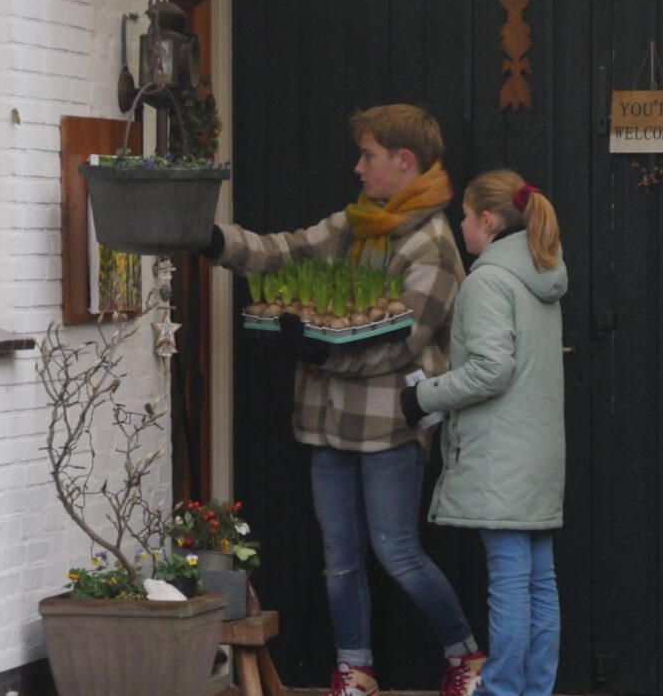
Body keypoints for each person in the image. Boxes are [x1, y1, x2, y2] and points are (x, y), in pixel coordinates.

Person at [203, 104, 485, 696]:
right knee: (339, 558)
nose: (358, 167)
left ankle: (466, 657)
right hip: (324, 422)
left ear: (404, 160)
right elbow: (282, 251)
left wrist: (316, 351)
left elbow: (399, 347)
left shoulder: (432, 246)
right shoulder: (355, 224)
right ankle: (355, 671)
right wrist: (214, 240)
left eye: (368, 155)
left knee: (397, 552)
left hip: (389, 426)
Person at [400, 169, 567, 696]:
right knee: (540, 581)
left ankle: (501, 690)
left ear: (488, 221)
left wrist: (422, 396)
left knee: (511, 582)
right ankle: (534, 689)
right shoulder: (541, 277)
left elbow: (492, 371)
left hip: (502, 458)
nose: (462, 225)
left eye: (467, 216)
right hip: (538, 454)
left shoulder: (488, 281)